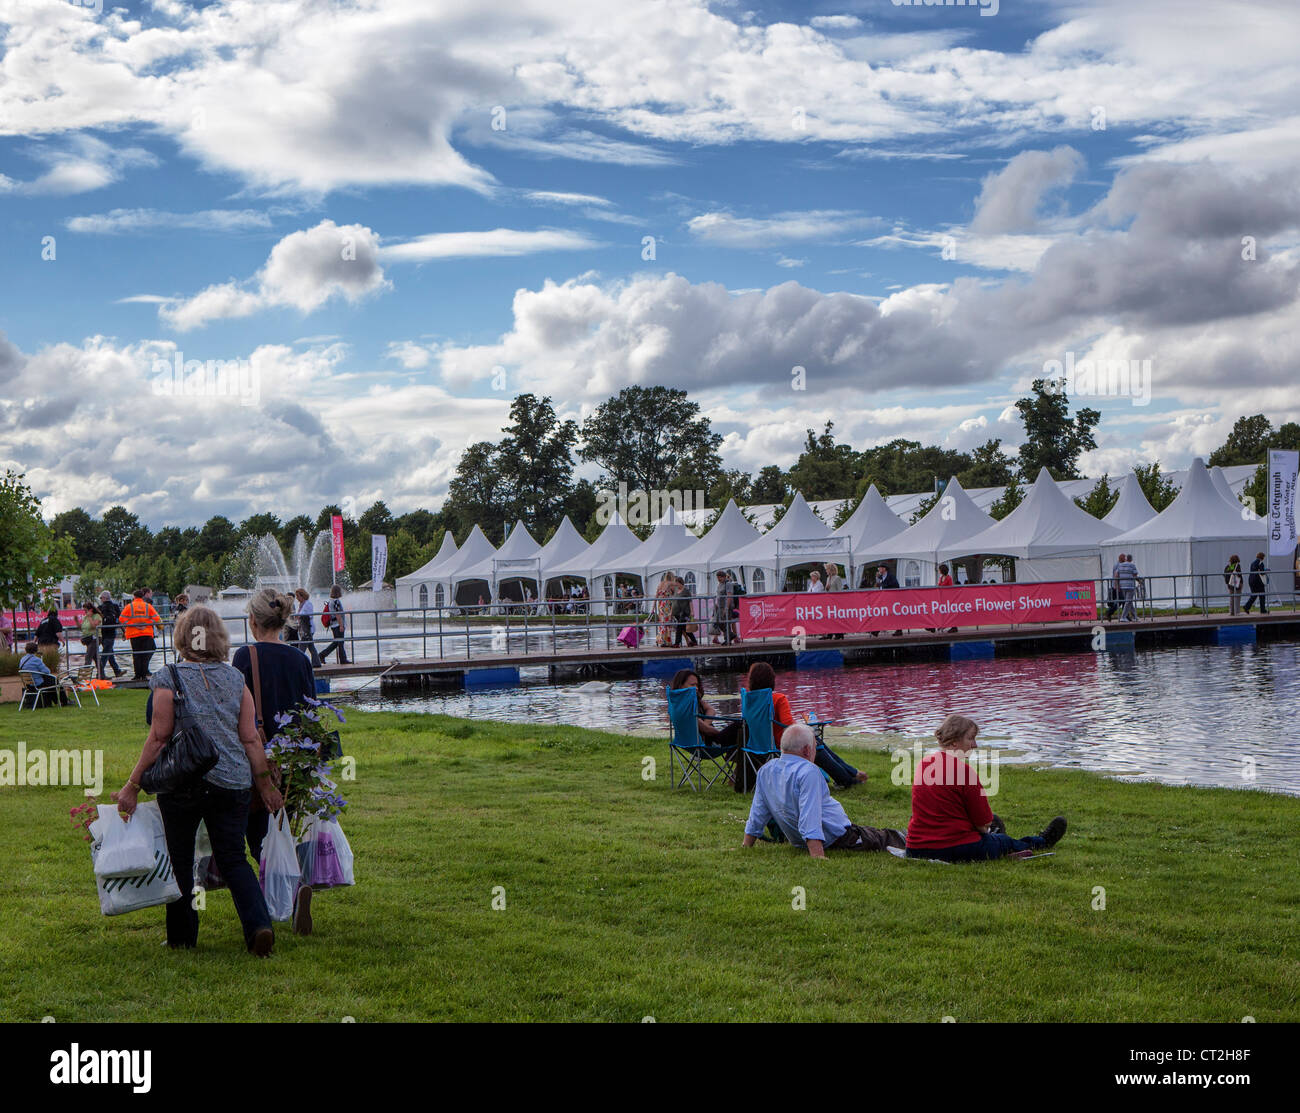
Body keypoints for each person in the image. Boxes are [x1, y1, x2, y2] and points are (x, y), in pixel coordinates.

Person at [113, 606, 281, 955]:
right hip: (232, 782)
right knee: (234, 858)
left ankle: (182, 938)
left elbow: (159, 737)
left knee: (180, 861)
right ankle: (259, 927)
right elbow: (250, 738)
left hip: (182, 783)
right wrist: (265, 786)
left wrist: (132, 785)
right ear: (219, 637)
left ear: (181, 638)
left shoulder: (167, 677)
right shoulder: (236, 679)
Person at [232, 588, 319, 934]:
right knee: (286, 826)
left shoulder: (244, 656)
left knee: (257, 834)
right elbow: (312, 710)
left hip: (258, 756)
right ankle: (293, 889)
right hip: (295, 756)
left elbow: (234, 707)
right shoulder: (300, 659)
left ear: (252, 620)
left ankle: (286, 893)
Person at [906, 714, 1066, 862]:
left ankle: (996, 832)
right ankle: (1041, 842)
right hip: (951, 848)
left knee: (991, 829)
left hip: (916, 847)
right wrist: (986, 830)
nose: (974, 745)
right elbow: (982, 824)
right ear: (954, 741)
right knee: (1004, 841)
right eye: (970, 738)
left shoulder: (924, 764)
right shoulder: (963, 772)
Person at [742, 725, 905, 857]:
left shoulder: (766, 770)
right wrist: (817, 854)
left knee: (872, 832)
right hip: (839, 838)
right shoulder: (808, 771)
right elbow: (809, 814)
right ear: (807, 750)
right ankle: (917, 838)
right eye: (815, 747)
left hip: (799, 841)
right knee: (886, 837)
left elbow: (758, 811)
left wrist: (746, 845)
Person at [741, 661, 866, 789]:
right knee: (814, 743)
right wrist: (805, 728)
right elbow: (789, 726)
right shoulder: (778, 699)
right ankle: (847, 779)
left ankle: (852, 773)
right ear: (771, 680)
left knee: (817, 743)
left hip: (756, 745)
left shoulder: (748, 700)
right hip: (782, 745)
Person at [670, 668, 744, 751]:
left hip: (694, 742)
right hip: (707, 743)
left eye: (697, 685)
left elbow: (711, 710)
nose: (696, 688)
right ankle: (742, 761)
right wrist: (721, 733)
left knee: (741, 730)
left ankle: (737, 758)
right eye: (692, 685)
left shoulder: (679, 704)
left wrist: (706, 723)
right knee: (741, 725)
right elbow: (707, 730)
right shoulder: (686, 709)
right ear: (681, 686)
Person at [120, 588, 162, 680]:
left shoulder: (129, 606)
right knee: (145, 654)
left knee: (136, 655)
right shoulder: (147, 606)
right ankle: (144, 674)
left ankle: (137, 675)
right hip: (146, 633)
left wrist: (133, 625)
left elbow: (122, 619)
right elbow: (156, 618)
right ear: (142, 596)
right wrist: (146, 624)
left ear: (134, 597)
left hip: (134, 634)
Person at [19, 640, 67, 706]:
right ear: (36, 650)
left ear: (26, 650)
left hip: (28, 684)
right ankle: (64, 702)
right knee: (55, 682)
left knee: (52, 683)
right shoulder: (36, 660)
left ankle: (58, 702)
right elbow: (47, 671)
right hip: (37, 684)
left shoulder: (22, 659)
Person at [97, 591, 124, 679]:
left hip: (102, 633)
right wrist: (124, 631)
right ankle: (100, 674)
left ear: (104, 598)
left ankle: (116, 671)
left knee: (108, 652)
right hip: (111, 632)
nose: (101, 600)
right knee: (107, 653)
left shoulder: (99, 608)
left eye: (101, 598)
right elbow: (119, 620)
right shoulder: (115, 607)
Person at [319, 584, 349, 664]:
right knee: (340, 642)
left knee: (337, 642)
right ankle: (342, 659)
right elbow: (337, 614)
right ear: (338, 592)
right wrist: (341, 625)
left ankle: (323, 655)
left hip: (333, 624)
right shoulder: (336, 601)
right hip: (337, 624)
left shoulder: (330, 601)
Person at [293, 588, 323, 667]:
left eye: (298, 596)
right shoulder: (302, 604)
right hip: (304, 628)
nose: (297, 598)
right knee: (310, 646)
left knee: (302, 647)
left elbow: (309, 615)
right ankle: (316, 662)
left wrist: (299, 616)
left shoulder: (308, 604)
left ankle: (297, 663)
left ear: (302, 596)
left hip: (308, 628)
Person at [871, 564, 903, 637]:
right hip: (884, 598)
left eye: (880, 568)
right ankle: (876, 630)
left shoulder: (891, 576)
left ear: (884, 569)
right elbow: (880, 585)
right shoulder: (881, 577)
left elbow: (896, 585)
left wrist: (883, 585)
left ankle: (899, 630)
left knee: (893, 614)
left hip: (892, 598)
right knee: (882, 613)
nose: (878, 569)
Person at [672, 577, 697, 648]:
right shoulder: (676, 591)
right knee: (684, 628)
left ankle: (677, 643)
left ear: (680, 583)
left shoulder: (686, 591)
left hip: (685, 612)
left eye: (677, 584)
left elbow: (690, 601)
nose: (676, 585)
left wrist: (692, 612)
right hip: (677, 613)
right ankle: (694, 641)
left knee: (679, 627)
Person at [1115, 553, 1140, 622]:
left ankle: (1135, 616)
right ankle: (1123, 617)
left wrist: (1117, 585)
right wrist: (1140, 581)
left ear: (1126, 558)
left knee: (1129, 601)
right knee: (1128, 601)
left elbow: (1116, 575)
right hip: (1130, 586)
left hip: (1122, 586)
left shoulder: (1120, 565)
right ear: (1131, 559)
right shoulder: (1132, 565)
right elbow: (1135, 574)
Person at [78, 601, 101, 674]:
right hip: (88, 639)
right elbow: (82, 627)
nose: (84, 612)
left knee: (88, 657)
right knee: (96, 658)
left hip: (95, 638)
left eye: (86, 610)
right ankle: (102, 674)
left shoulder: (97, 616)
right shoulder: (85, 617)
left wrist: (89, 617)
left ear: (90, 610)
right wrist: (76, 621)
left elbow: (94, 626)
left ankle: (84, 676)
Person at [654, 576, 677, 647]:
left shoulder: (660, 585)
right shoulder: (669, 583)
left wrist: (653, 608)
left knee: (662, 624)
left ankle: (661, 640)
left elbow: (656, 597)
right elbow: (677, 585)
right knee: (668, 624)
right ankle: (667, 641)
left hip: (660, 606)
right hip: (666, 606)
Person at [1105, 553, 1123, 620]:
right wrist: (1117, 586)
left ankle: (1125, 615)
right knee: (1121, 600)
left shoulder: (1115, 565)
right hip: (1117, 586)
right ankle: (1109, 612)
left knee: (1122, 600)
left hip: (1115, 585)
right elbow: (1116, 575)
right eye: (1124, 559)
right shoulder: (1119, 566)